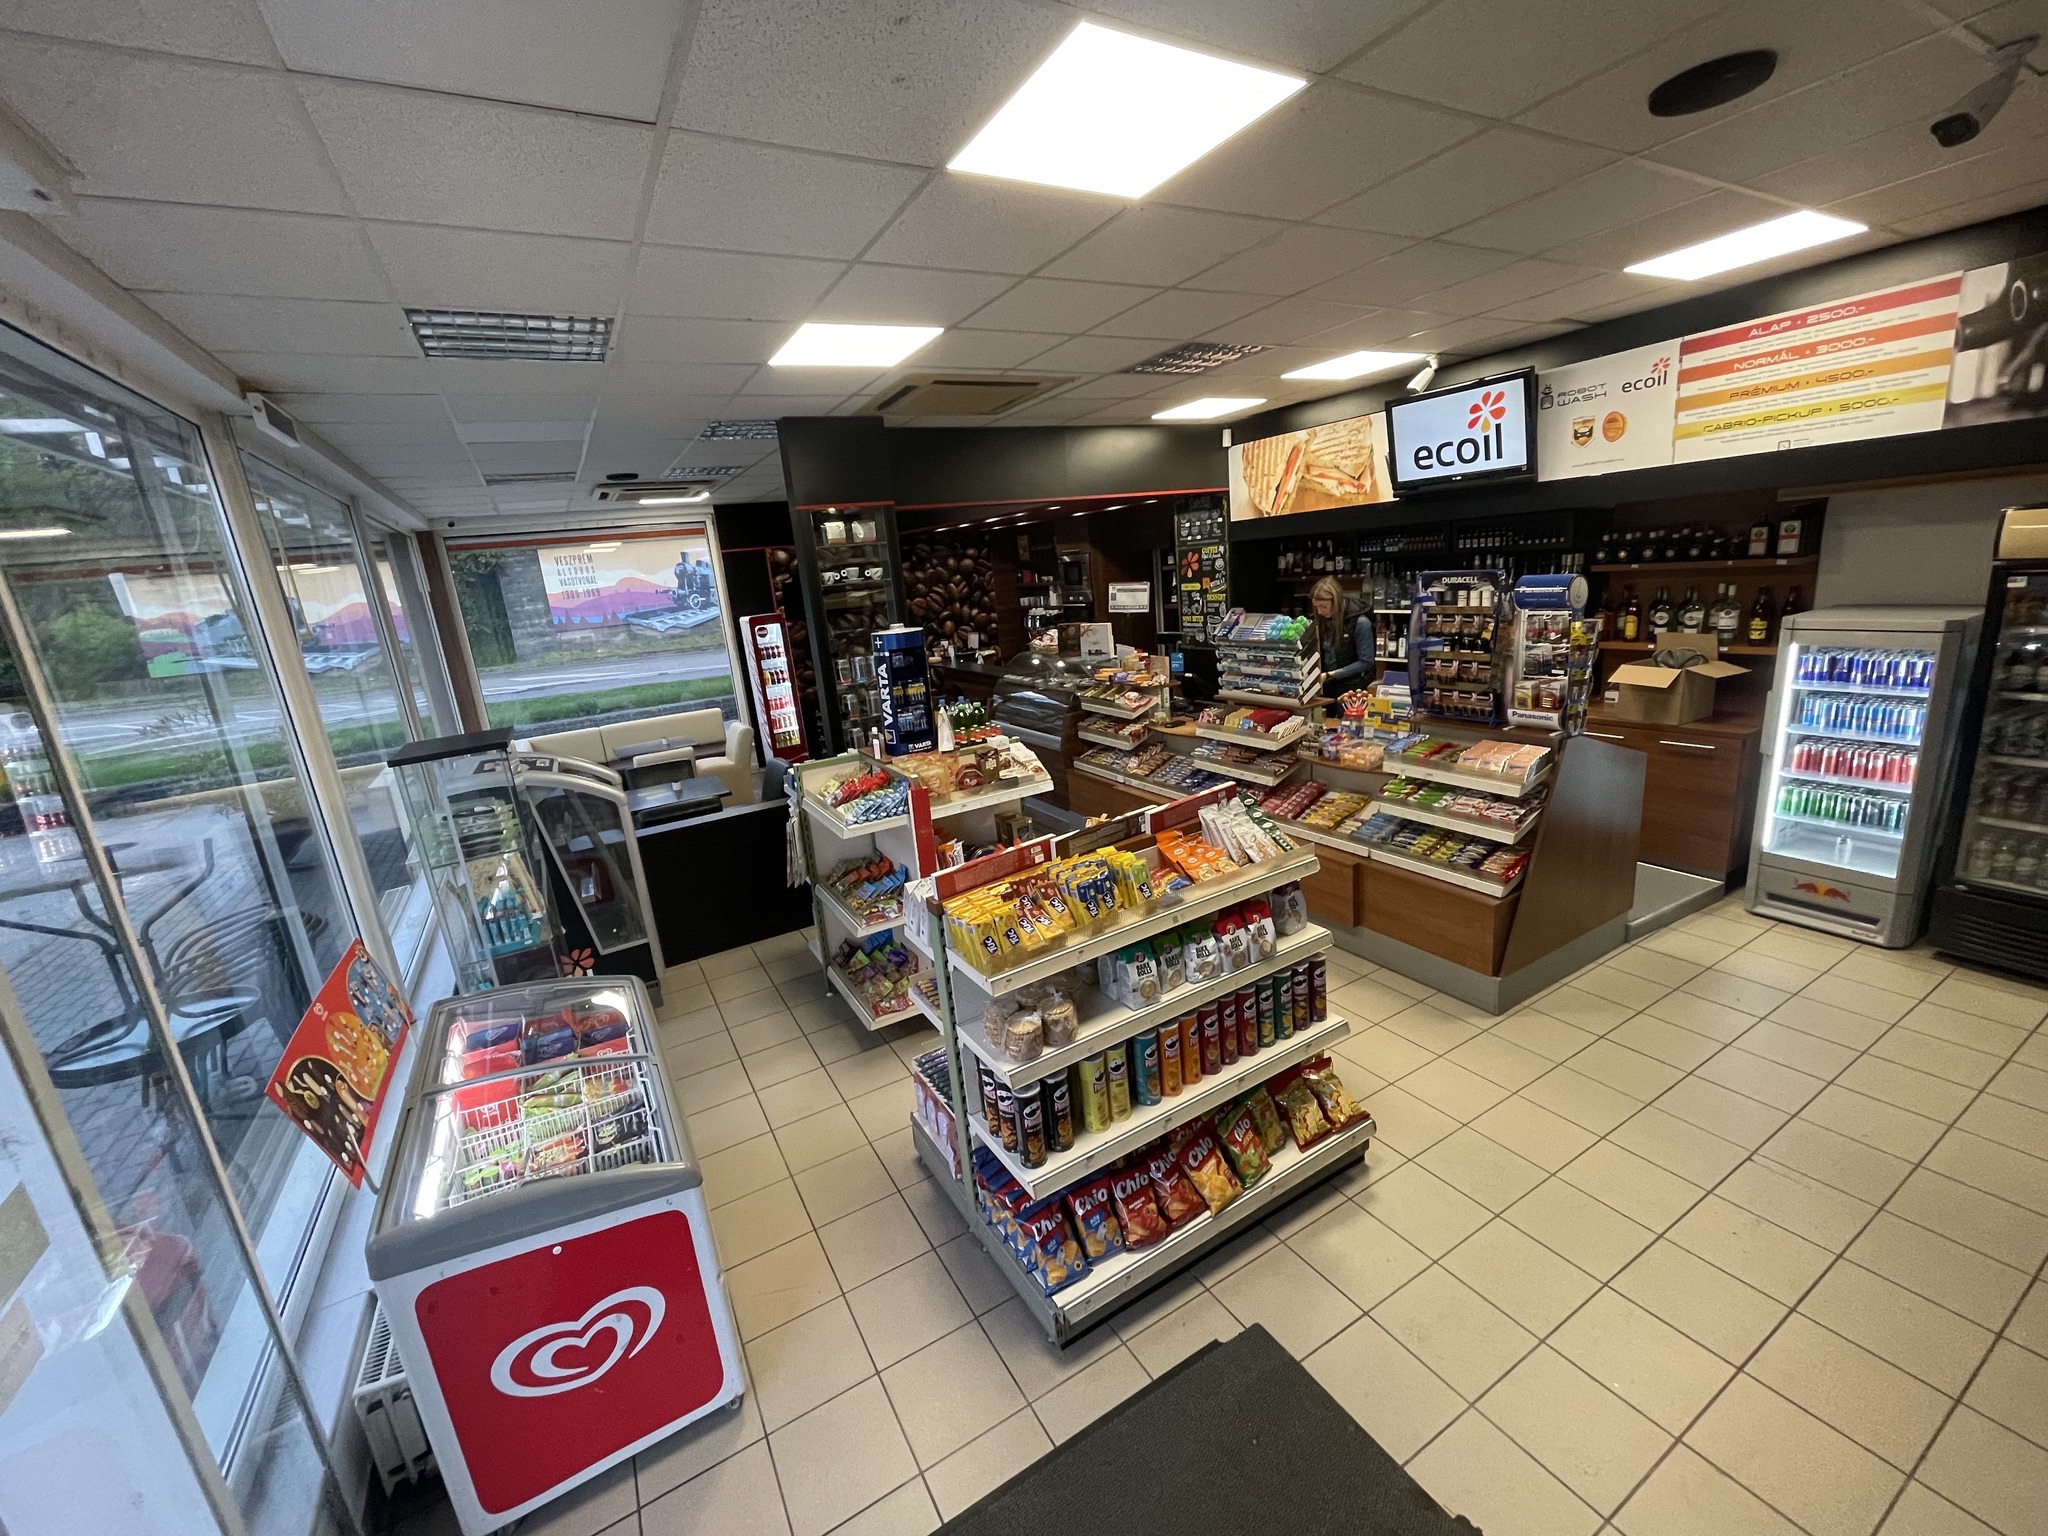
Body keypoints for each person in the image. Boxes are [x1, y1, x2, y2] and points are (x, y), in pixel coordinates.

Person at [1309, 576, 1370, 689]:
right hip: (1326, 684)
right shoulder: (1322, 620)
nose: (1319, 611)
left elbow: (1366, 662)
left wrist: (1331, 675)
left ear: (1336, 602)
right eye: (1316, 607)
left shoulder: (1361, 622)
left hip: (1352, 687)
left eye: (1323, 606)